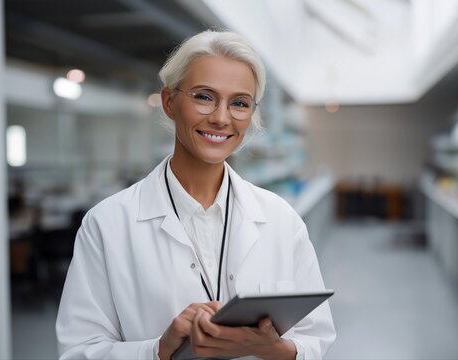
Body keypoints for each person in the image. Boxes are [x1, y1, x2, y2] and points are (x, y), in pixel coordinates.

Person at [56, 29, 336, 360]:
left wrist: (271, 349)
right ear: (169, 101)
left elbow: (316, 339)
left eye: (239, 103)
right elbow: (78, 352)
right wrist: (158, 350)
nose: (220, 118)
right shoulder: (107, 224)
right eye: (204, 97)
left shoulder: (281, 220)